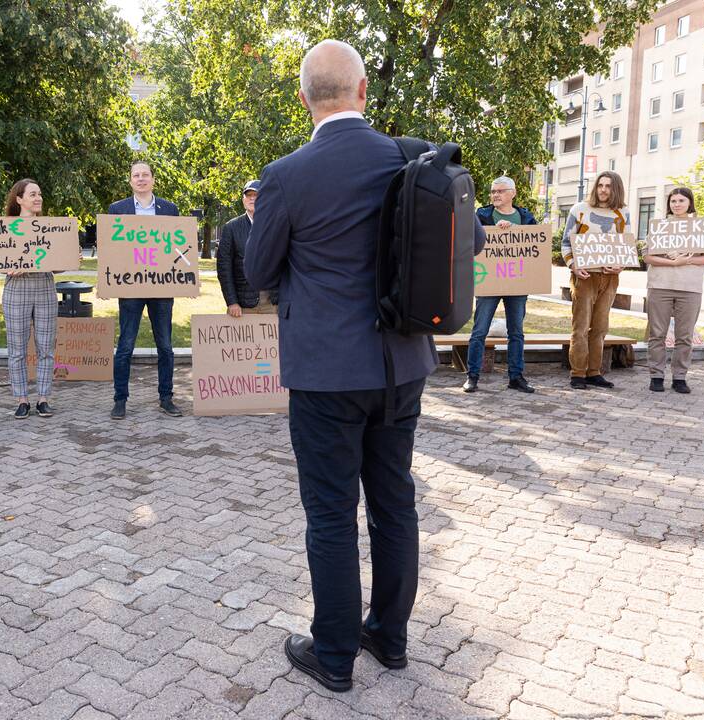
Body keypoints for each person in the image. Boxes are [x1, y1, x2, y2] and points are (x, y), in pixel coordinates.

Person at [245, 39, 484, 693]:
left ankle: (333, 654)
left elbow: (260, 270)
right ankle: (391, 636)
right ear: (362, 93)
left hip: (326, 371)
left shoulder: (286, 174)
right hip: (403, 362)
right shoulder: (409, 158)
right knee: (394, 501)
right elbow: (473, 237)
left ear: (304, 100)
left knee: (329, 514)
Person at [108, 161, 182, 419]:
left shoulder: (170, 209)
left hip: (162, 287)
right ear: (130, 181)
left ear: (153, 179)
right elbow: (112, 250)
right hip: (131, 288)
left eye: (145, 175)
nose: (141, 179)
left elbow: (177, 248)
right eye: (136, 175)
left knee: (165, 346)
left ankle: (166, 397)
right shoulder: (118, 209)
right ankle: (120, 399)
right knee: (125, 345)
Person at [463, 176, 536, 394]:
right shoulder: (482, 215)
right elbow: (471, 239)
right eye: (493, 191)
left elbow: (534, 240)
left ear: (512, 193)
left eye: (500, 191)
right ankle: (472, 376)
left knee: (516, 332)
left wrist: (513, 228)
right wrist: (493, 229)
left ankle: (516, 377)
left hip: (517, 283)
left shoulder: (525, 217)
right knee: (479, 331)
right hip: (489, 282)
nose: (495, 195)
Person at [561, 171, 629, 390]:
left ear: (615, 188)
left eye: (608, 186)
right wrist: (574, 265)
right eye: (600, 185)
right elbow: (565, 243)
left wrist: (621, 265)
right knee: (580, 326)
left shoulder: (623, 213)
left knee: (600, 327)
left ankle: (594, 372)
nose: (603, 190)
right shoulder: (580, 209)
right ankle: (578, 373)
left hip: (609, 277)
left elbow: (626, 246)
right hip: (585, 276)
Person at [644, 187, 704, 393]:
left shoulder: (701, 228)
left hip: (690, 288)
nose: (677, 204)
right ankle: (656, 376)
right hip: (660, 286)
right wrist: (673, 264)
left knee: (685, 336)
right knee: (657, 334)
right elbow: (648, 257)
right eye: (673, 201)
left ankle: (679, 377)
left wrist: (687, 260)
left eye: (681, 200)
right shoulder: (660, 227)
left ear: (689, 203)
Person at [2, 178, 57, 419]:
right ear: (19, 199)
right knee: (17, 349)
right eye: (32, 194)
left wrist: (68, 257)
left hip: (44, 287)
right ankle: (22, 399)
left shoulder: (50, 228)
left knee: (46, 347)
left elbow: (58, 266)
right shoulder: (4, 227)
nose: (38, 198)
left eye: (40, 194)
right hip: (17, 289)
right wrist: (8, 267)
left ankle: (43, 398)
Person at [217, 180, 279, 316]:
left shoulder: (276, 226)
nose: (252, 198)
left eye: (256, 195)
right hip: (243, 305)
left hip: (273, 303)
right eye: (248, 195)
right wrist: (232, 302)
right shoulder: (231, 228)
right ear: (243, 200)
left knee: (274, 338)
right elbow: (224, 268)